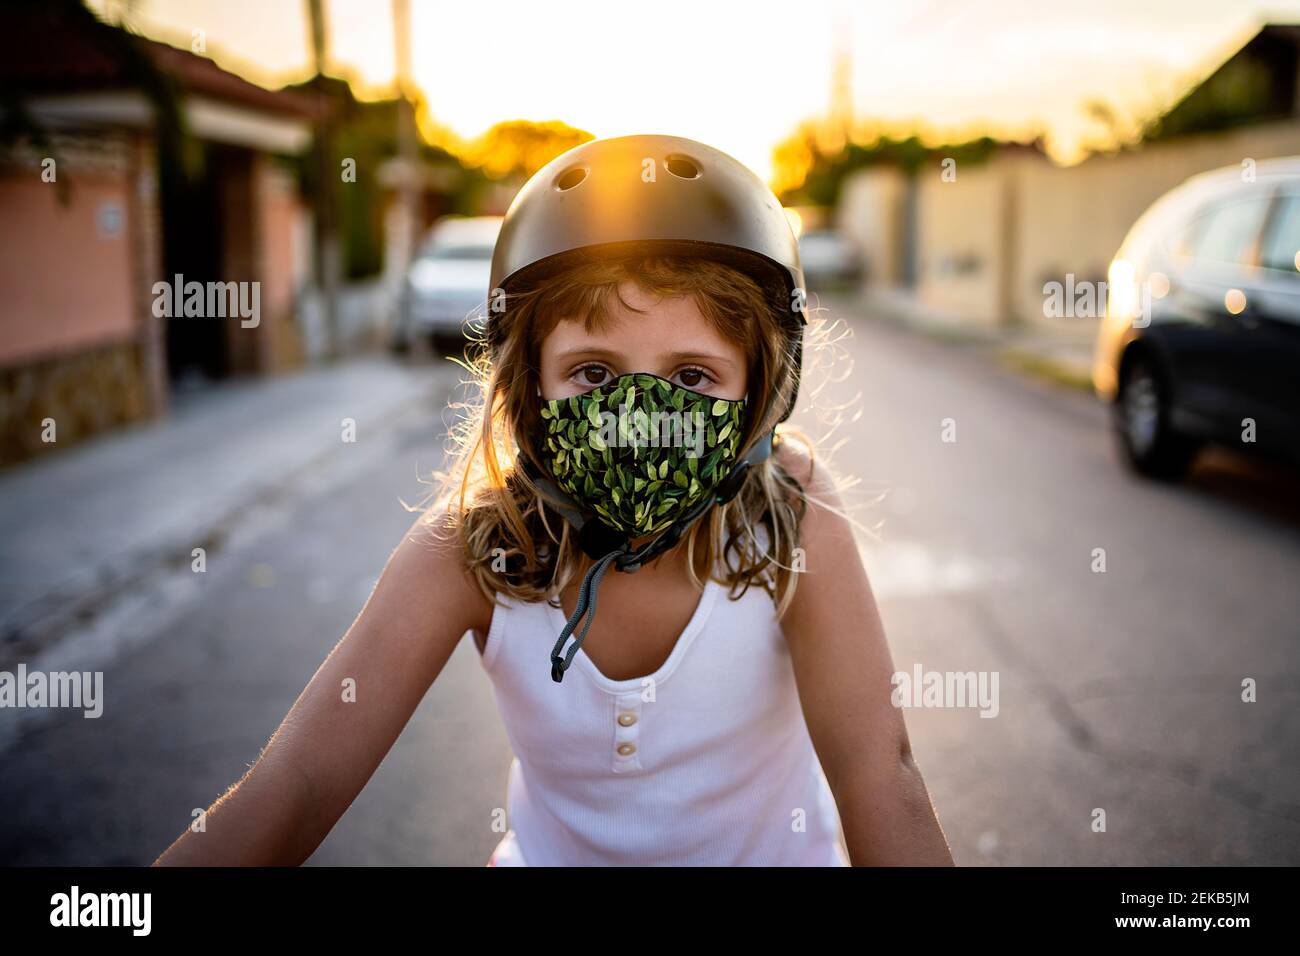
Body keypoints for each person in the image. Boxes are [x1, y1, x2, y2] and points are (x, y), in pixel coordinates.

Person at [154, 134, 952, 867]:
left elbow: (880, 771)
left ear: (759, 397)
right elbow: (297, 784)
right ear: (530, 385)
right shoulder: (477, 546)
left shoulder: (789, 514)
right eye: (595, 375)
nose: (641, 419)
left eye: (692, 378)